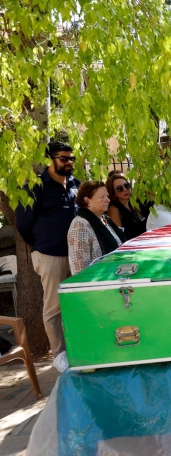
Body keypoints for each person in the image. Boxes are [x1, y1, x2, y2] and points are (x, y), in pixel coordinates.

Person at [16, 141, 80, 373]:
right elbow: (23, 224)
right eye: (64, 158)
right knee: (54, 307)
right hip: (50, 254)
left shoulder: (76, 185)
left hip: (76, 254)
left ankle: (79, 347)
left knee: (77, 301)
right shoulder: (35, 186)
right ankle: (59, 355)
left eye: (71, 158)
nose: (69, 162)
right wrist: (42, 243)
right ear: (50, 160)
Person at [67, 180, 126, 275]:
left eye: (107, 196)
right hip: (97, 281)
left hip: (113, 276)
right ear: (87, 200)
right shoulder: (79, 225)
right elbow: (79, 268)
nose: (108, 200)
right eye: (102, 197)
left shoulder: (104, 218)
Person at [106, 175, 150, 240]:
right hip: (131, 247)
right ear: (113, 192)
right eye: (119, 188)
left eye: (126, 186)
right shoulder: (114, 209)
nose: (125, 190)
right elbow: (119, 237)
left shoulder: (132, 203)